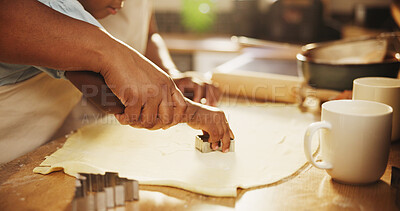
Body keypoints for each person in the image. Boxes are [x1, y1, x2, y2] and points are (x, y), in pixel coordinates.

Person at [0, 0, 233, 164]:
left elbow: (148, 33)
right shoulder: (59, 10)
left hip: (43, 145)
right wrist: (192, 114)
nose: (123, 4)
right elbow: (106, 95)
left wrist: (168, 80)